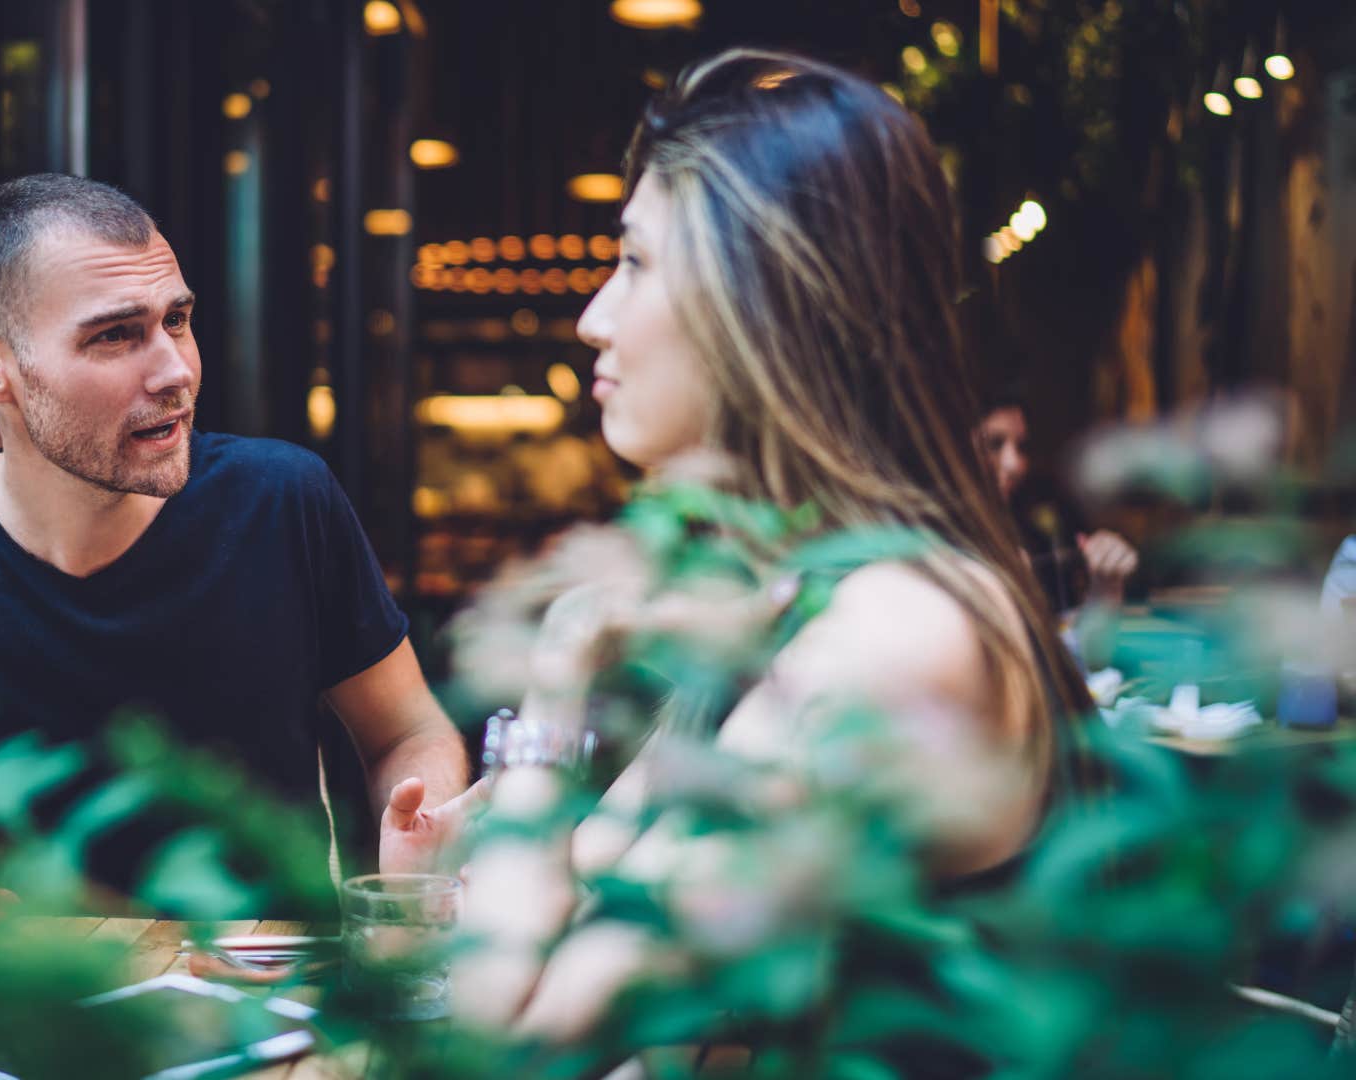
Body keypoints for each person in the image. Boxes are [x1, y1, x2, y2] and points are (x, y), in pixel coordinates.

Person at [449, 49, 1092, 1050]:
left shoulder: (895, 632)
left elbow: (513, 1036)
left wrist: (556, 685)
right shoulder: (804, 593)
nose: (593, 320)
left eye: (635, 263)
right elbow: (593, 914)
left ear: (765, 301)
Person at [0, 175, 472, 915]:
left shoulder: (282, 498)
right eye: (115, 337)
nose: (175, 371)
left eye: (177, 320)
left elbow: (408, 731)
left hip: (259, 1005)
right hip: (12, 1018)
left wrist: (423, 822)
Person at [975, 385, 1138, 613]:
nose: (1015, 464)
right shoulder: (938, 550)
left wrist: (1105, 584)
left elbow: (1067, 639)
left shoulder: (1034, 526)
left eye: (1021, 446)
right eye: (993, 444)